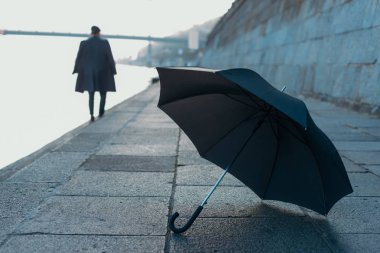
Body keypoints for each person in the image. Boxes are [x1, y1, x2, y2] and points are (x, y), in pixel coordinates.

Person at [73, 26, 117, 122]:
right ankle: (101, 113)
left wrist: (76, 70)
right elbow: (110, 57)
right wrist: (113, 71)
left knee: (91, 95)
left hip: (89, 73)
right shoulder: (105, 43)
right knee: (103, 93)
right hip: (103, 72)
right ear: (99, 33)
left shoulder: (84, 43)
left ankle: (92, 115)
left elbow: (79, 58)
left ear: (91, 33)